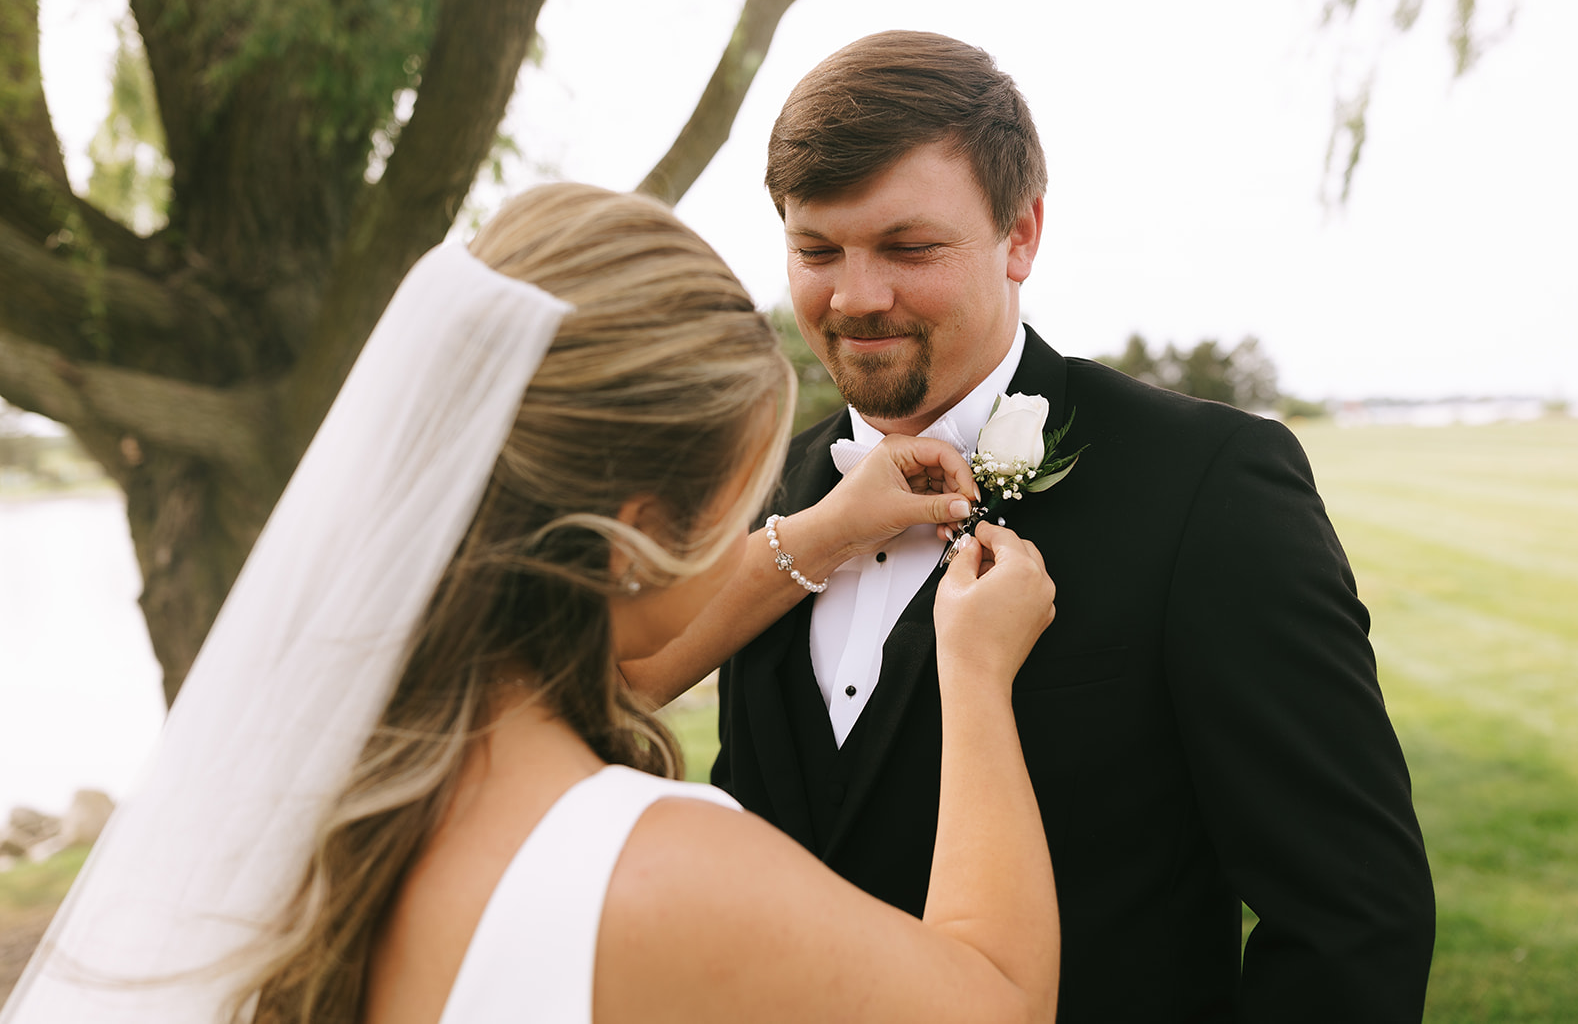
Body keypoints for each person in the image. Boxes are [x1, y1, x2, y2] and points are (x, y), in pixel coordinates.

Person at [0, 184, 1061, 1024]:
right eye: (742, 498)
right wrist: (972, 673)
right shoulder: (652, 871)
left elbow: (625, 660)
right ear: (638, 532)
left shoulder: (325, 782)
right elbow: (999, 1000)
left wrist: (824, 527)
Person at [636, 31, 1436, 1022]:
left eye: (906, 247)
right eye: (816, 250)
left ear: (1021, 234)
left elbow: (1353, 919)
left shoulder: (1208, 486)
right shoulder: (770, 499)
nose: (854, 296)